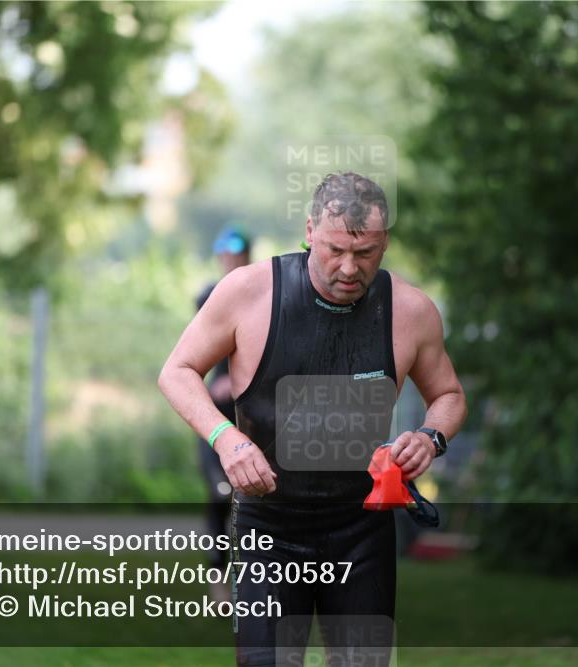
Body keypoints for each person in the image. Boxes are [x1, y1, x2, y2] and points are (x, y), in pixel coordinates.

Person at [159, 172, 467, 666]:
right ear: (309, 231)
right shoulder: (249, 292)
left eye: (365, 254)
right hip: (269, 528)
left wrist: (431, 437)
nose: (349, 268)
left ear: (384, 243)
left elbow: (449, 395)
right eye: (334, 250)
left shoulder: (410, 311)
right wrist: (226, 439)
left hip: (362, 528)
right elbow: (176, 371)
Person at [194, 225, 253, 603]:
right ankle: (219, 578)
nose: (229, 258)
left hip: (252, 413)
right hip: (216, 418)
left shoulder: (262, 293)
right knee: (219, 494)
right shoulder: (208, 296)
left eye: (236, 252)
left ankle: (252, 579)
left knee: (250, 498)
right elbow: (199, 352)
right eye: (223, 252)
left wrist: (237, 383)